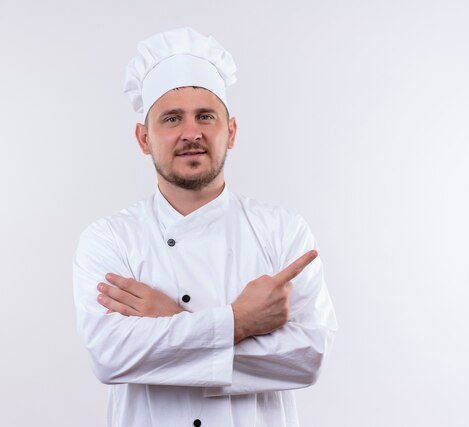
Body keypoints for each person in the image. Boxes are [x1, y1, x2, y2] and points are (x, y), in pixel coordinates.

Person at [73, 27, 337, 427]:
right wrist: (241, 321)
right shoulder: (109, 239)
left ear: (230, 131)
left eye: (206, 116)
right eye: (172, 118)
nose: (191, 133)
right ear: (144, 138)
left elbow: (307, 358)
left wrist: (172, 322)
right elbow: (110, 357)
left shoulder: (283, 231)